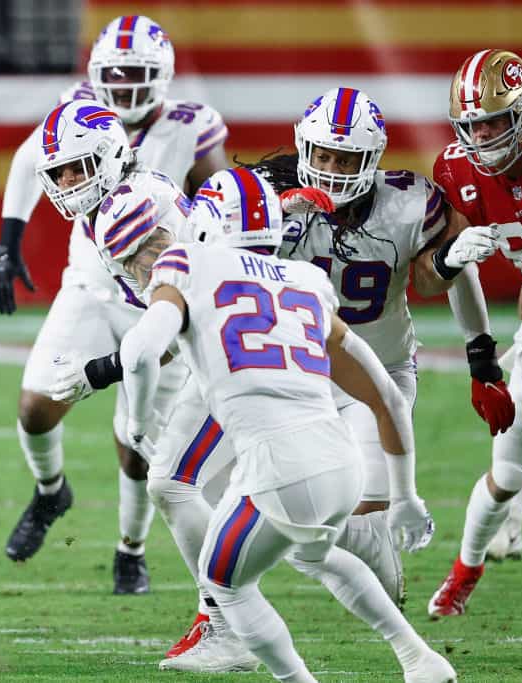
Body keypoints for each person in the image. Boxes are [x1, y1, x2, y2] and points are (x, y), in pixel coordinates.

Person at [112, 166, 456, 682]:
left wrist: (137, 423)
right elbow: (386, 395)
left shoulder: (188, 263)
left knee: (224, 583)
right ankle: (418, 658)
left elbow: (140, 352)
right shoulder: (308, 280)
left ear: (207, 225)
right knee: (313, 553)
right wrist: (406, 498)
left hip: (277, 467)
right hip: (340, 463)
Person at [244, 87, 514, 607]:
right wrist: (270, 223)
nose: (332, 168)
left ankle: (378, 588)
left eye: (346, 158)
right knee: (289, 509)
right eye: (322, 155)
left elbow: (436, 280)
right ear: (303, 149)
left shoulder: (410, 202)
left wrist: (480, 355)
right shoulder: (267, 200)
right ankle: (228, 606)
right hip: (294, 373)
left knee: (367, 504)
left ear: (372, 158)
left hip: (379, 372)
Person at [0, 13, 229, 603]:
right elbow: (30, 160)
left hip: (162, 295)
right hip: (94, 287)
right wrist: (9, 240)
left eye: (136, 75)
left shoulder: (181, 137)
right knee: (35, 407)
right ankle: (52, 492)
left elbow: (223, 203)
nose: (123, 87)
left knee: (138, 442)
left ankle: (131, 549)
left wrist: (198, 260)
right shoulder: (76, 114)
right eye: (113, 75)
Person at [33, 97, 251, 664]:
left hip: (226, 357)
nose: (67, 182)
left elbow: (165, 319)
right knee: (202, 490)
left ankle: (227, 624)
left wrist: (101, 376)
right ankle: (222, 617)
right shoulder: (130, 196)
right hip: (223, 348)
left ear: (108, 157)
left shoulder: (126, 212)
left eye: (78, 167)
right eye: (58, 172)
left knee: (197, 488)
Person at [426, 51, 522, 652]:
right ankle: (465, 572)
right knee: (508, 471)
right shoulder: (458, 170)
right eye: (471, 125)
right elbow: (429, 276)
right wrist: (450, 255)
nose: (480, 136)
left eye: (494, 122)